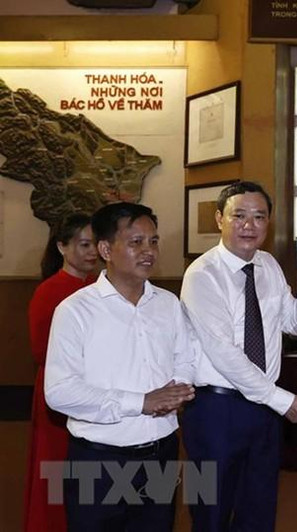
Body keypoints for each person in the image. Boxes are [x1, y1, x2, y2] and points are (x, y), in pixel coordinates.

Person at [180, 180, 297, 532]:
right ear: (219, 219)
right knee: (211, 514)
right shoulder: (202, 275)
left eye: (259, 217)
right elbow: (223, 352)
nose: (249, 225)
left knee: (258, 510)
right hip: (217, 411)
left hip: (263, 409)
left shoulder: (269, 265)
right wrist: (282, 400)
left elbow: (293, 323)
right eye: (239, 215)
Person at [44, 202, 196, 530]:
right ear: (105, 249)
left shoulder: (168, 304)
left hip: (161, 452)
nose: (148, 251)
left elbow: (186, 358)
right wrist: (141, 402)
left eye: (153, 241)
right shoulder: (74, 311)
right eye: (135, 242)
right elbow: (58, 392)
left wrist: (177, 391)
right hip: (97, 460)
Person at [24, 213, 97, 532]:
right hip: (58, 390)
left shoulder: (99, 286)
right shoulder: (49, 291)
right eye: (83, 244)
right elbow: (40, 350)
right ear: (62, 247)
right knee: (56, 467)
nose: (92, 251)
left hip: (96, 388)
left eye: (95, 243)